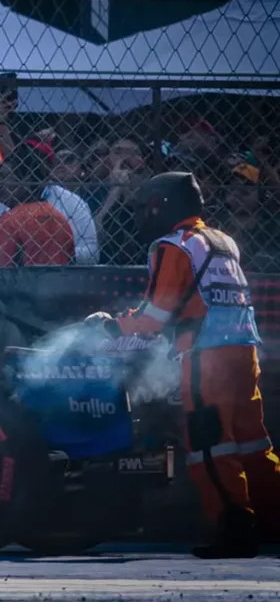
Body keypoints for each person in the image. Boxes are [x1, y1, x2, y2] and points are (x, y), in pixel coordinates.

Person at [85, 171, 280, 559]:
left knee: (210, 443)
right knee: (254, 442)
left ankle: (234, 528)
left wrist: (110, 327)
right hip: (244, 351)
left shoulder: (172, 246)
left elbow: (156, 316)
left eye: (145, 207)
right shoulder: (222, 241)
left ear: (163, 206)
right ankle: (272, 519)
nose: (142, 215)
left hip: (206, 354)